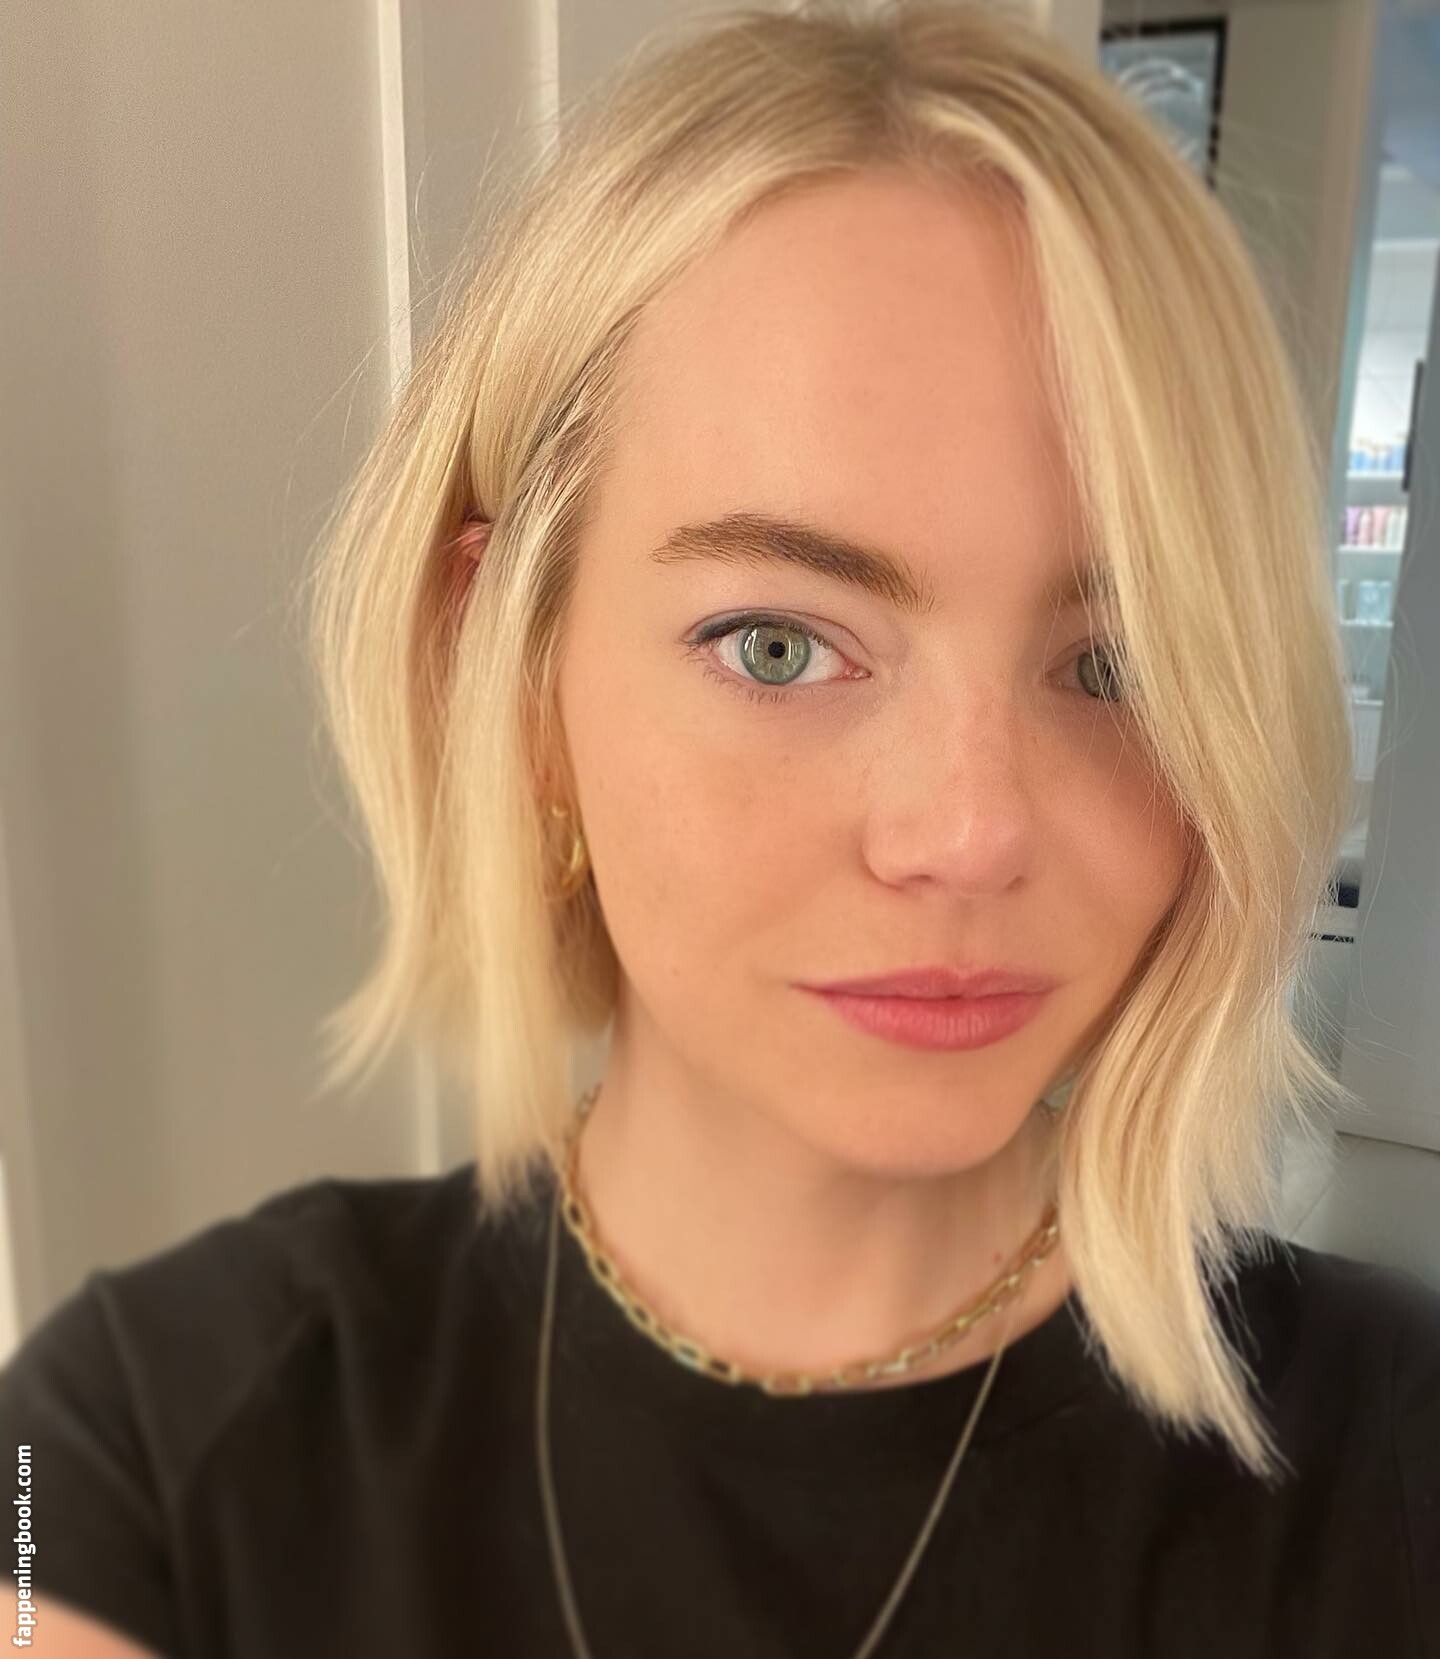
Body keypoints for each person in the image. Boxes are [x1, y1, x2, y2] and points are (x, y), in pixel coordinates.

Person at [3, 1, 1437, 1655]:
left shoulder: (1390, 1460)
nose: (969, 831)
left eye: (1118, 665)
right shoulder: (135, 1443)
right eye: (778, 645)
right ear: (510, 672)